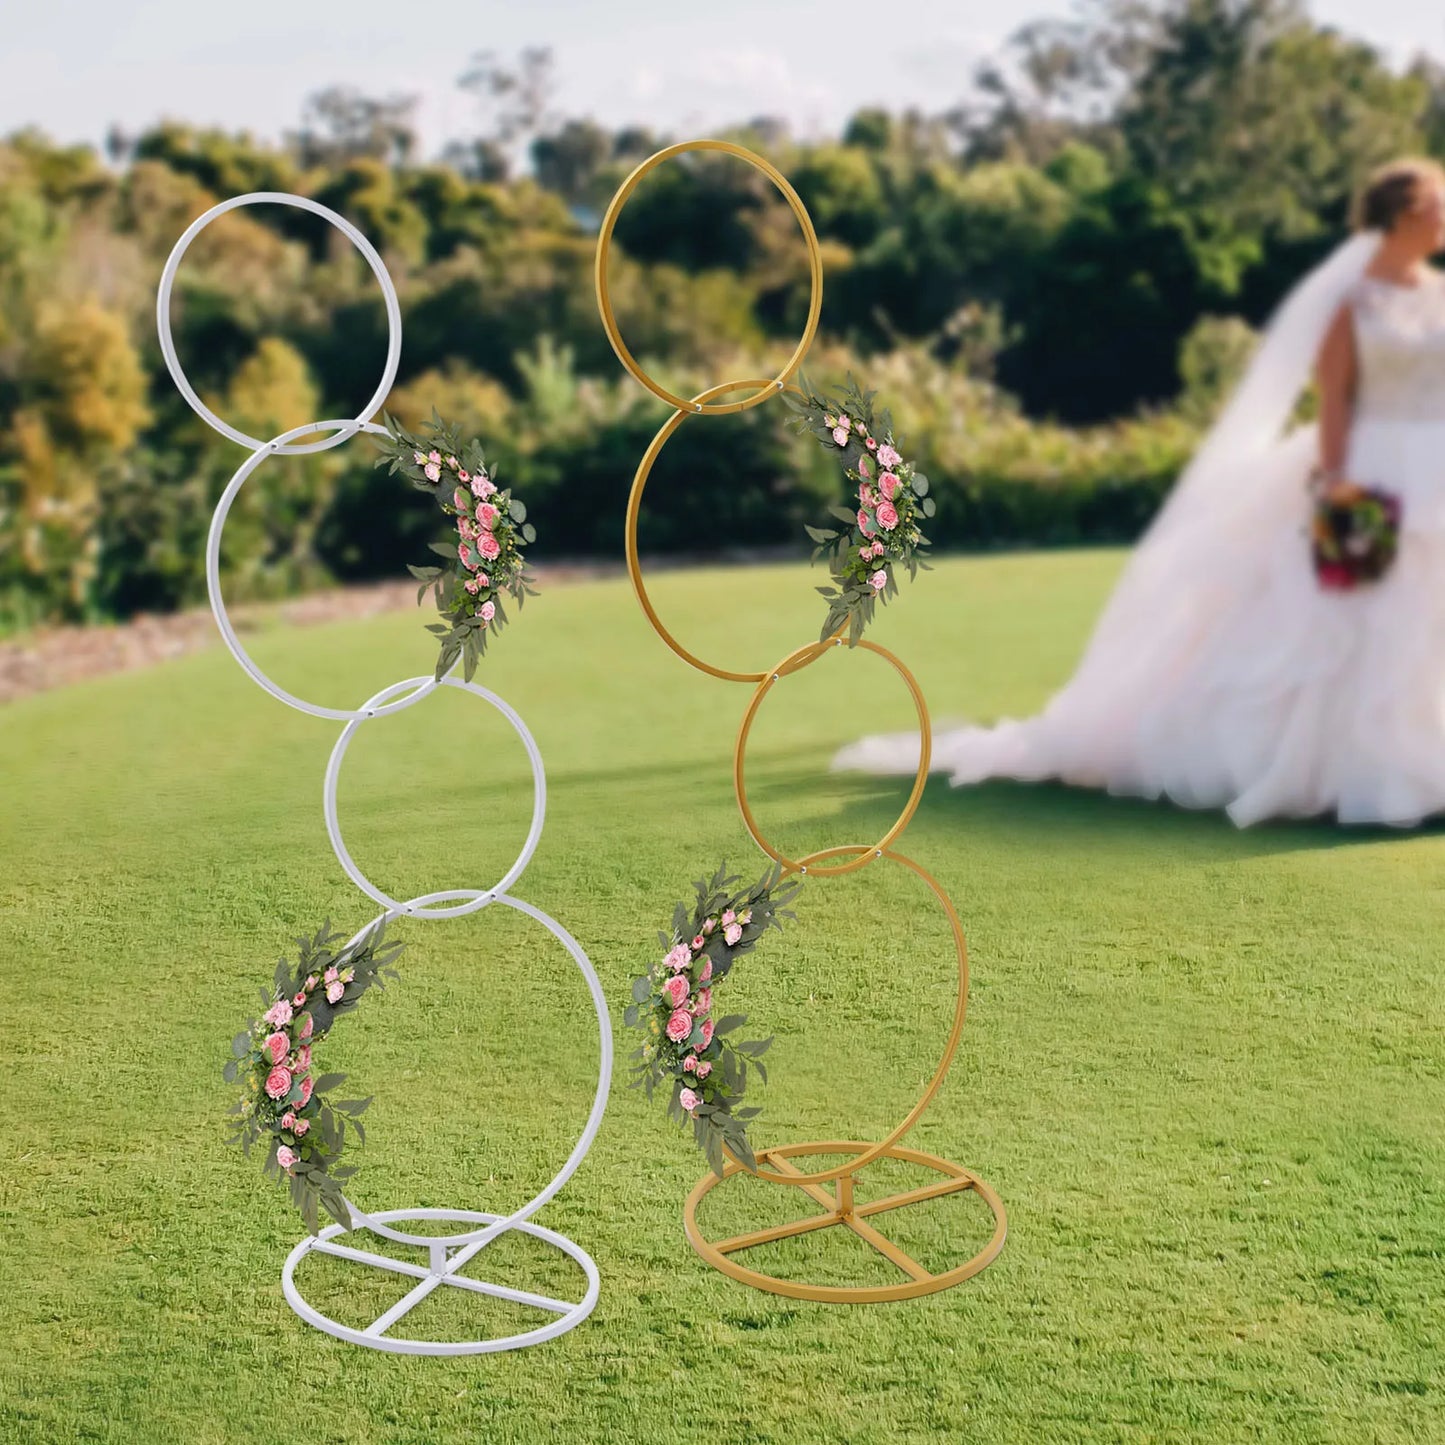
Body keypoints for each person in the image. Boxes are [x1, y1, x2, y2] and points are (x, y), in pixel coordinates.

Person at [831, 158, 1445, 828]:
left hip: (1433, 465)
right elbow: (1336, 396)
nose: (1444, 215)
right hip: (1367, 462)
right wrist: (1333, 481)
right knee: (1352, 620)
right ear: (1401, 215)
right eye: (1436, 204)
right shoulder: (1348, 300)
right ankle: (1347, 767)